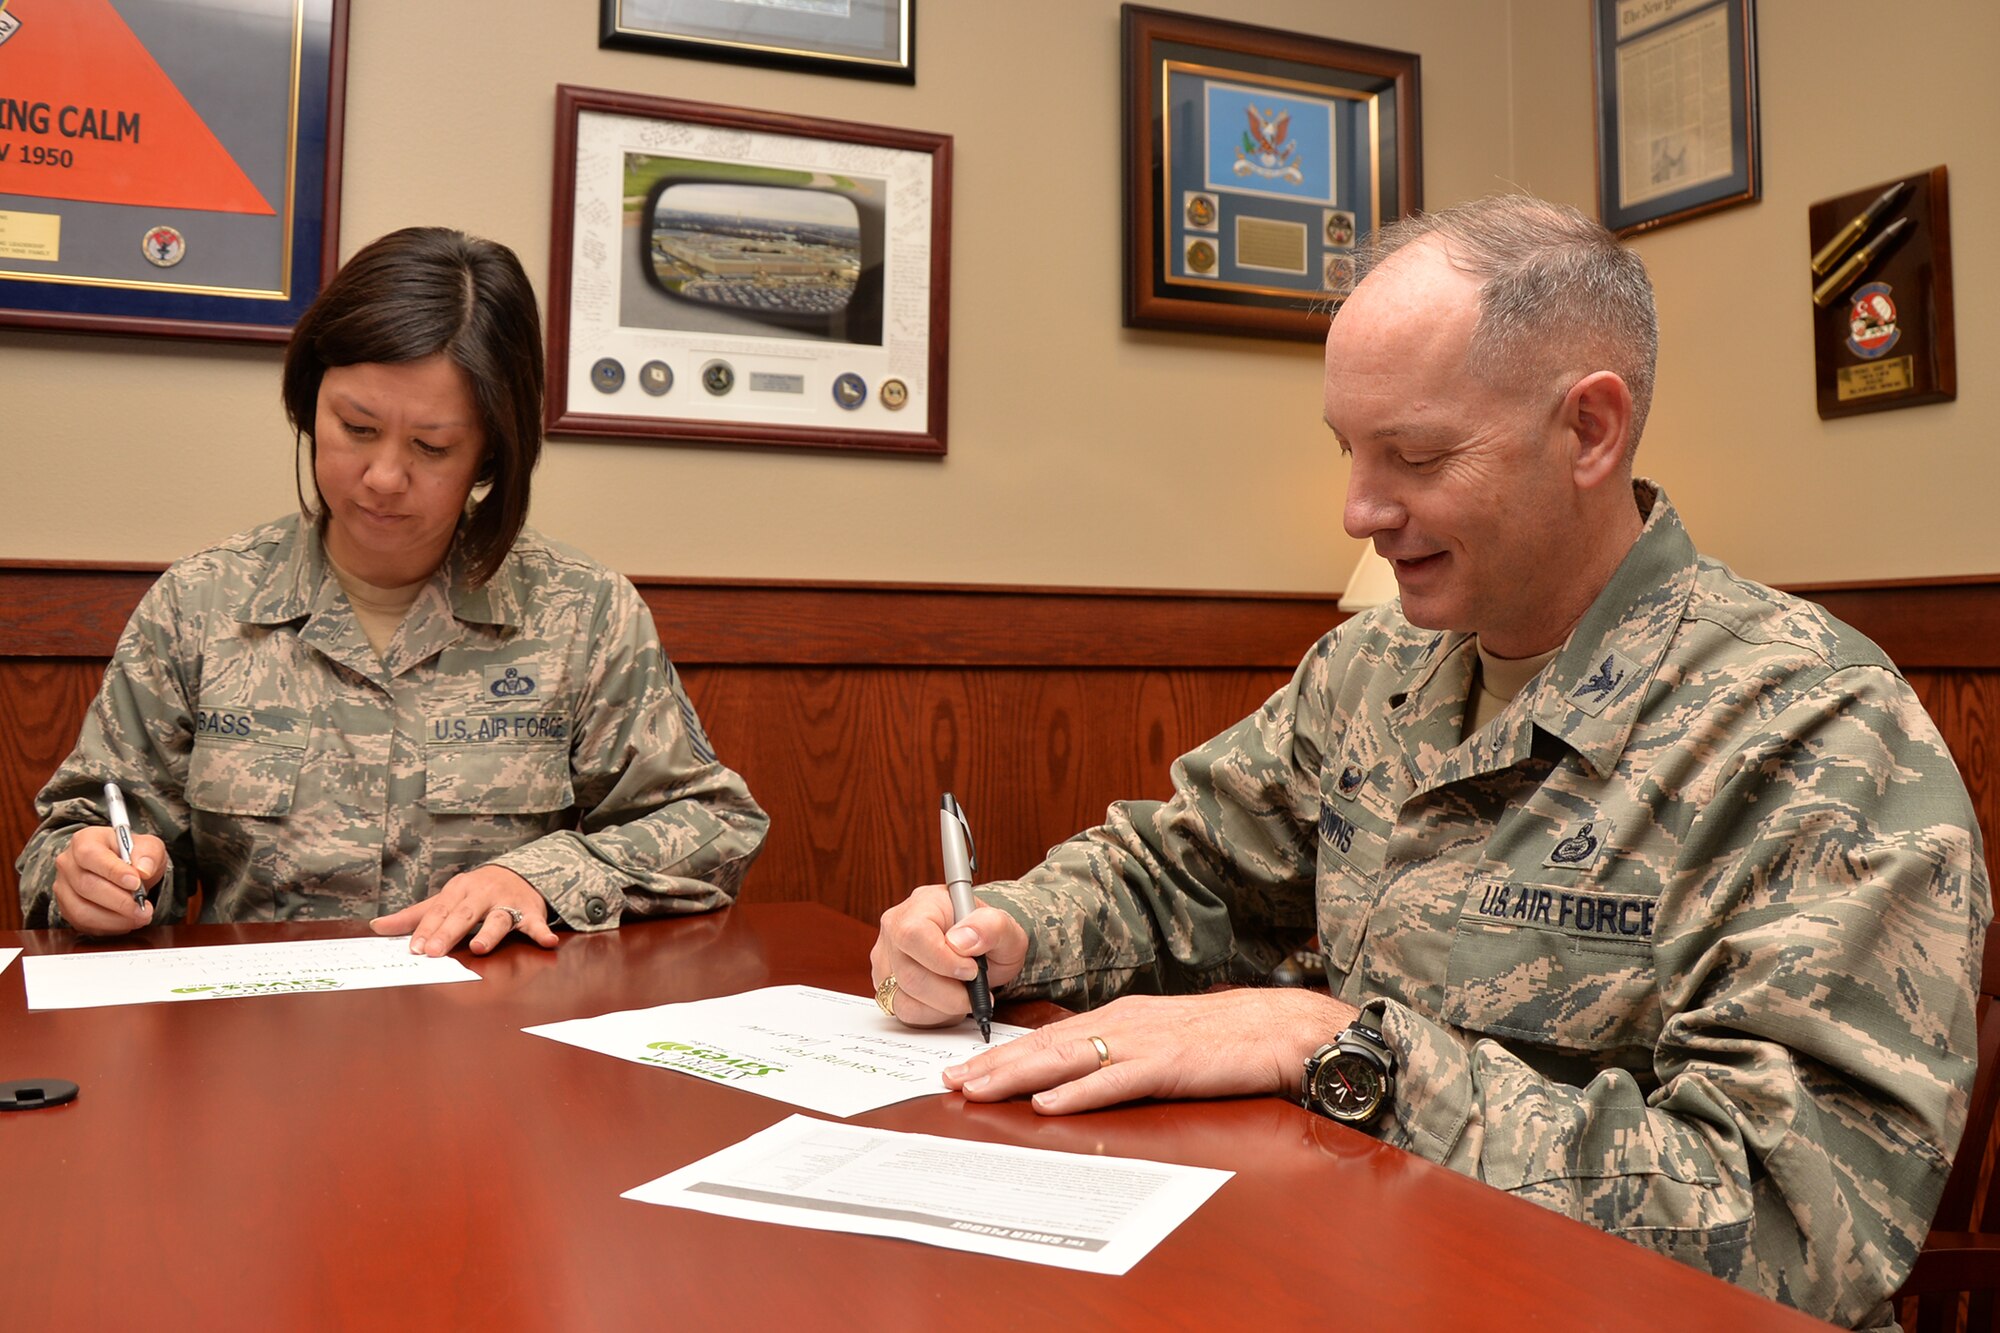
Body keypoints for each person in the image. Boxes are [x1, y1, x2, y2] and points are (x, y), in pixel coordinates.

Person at [869, 195, 1989, 1330]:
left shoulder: (1812, 729)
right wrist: (1002, 929)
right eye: (1347, 451)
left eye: (1413, 455)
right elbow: (1182, 868)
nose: (1358, 509)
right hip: (1350, 1269)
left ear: (1589, 432)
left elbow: (1797, 1225)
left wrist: (1338, 1050)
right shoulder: (1368, 667)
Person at [18, 227, 768, 954]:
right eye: (356, 427)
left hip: (497, 1038)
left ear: (490, 451)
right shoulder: (201, 603)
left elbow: (710, 823)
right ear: (310, 402)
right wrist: (86, 878)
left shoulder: (583, 614)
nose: (382, 477)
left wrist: (537, 876)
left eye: (431, 447)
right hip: (251, 1037)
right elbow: (82, 826)